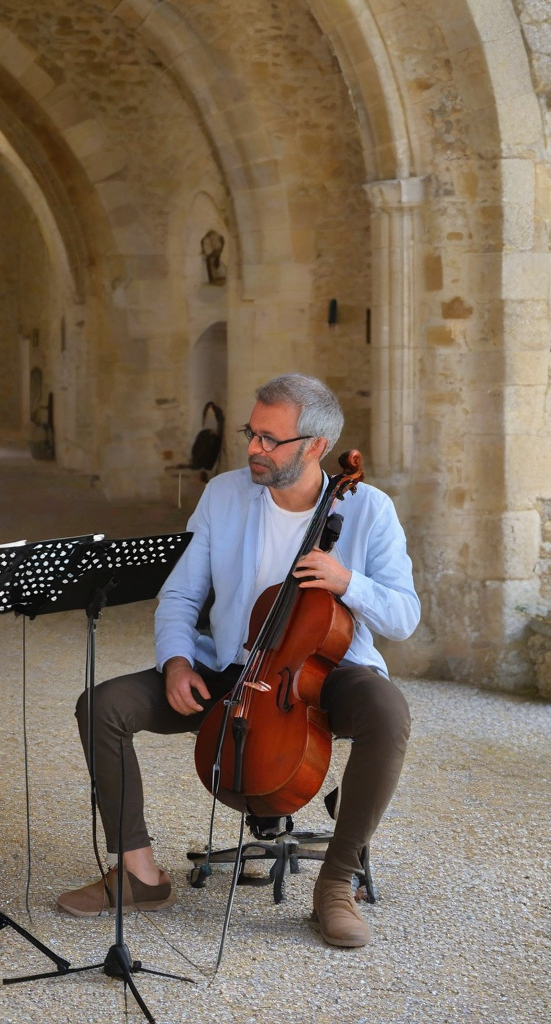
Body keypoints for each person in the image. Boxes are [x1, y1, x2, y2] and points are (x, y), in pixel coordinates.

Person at [56, 373, 418, 948]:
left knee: (387, 712)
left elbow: (403, 616)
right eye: (253, 433)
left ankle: (335, 883)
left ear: (317, 446)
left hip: (326, 671)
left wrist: (347, 581)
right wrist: (177, 661)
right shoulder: (223, 495)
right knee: (103, 706)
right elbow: (181, 594)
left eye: (271, 439)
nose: (254, 448)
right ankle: (138, 873)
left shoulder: (370, 509)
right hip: (233, 667)